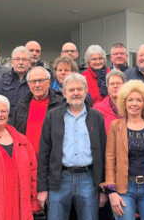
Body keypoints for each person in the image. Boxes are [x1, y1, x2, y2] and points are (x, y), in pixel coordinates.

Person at [37, 73, 107, 220]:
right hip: (60, 179)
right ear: (64, 93)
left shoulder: (96, 117)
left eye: (79, 89)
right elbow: (44, 153)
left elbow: (103, 153)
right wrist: (42, 188)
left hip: (88, 179)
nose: (76, 93)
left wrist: (102, 188)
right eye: (71, 90)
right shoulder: (53, 116)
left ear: (85, 91)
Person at [101, 80, 144, 220]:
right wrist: (111, 192)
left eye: (138, 100)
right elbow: (110, 158)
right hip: (123, 189)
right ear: (124, 102)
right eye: (130, 100)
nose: (134, 104)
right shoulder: (115, 126)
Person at [11, 67, 63, 153]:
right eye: (33, 81)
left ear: (49, 81)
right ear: (28, 84)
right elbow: (13, 133)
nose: (37, 85)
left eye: (41, 80)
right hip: (27, 159)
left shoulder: (60, 105)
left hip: (51, 160)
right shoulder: (22, 105)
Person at [0, 46, 32, 118]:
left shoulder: (36, 81)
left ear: (30, 62)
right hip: (7, 126)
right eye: (17, 59)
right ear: (12, 62)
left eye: (24, 59)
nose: (21, 62)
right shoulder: (0, 83)